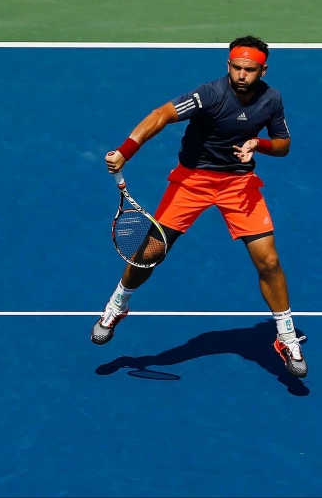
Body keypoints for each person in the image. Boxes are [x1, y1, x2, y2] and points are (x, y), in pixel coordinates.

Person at [92, 35, 307, 379]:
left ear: (263, 70)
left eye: (250, 70)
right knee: (149, 253)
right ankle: (117, 305)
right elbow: (162, 114)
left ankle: (285, 336)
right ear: (228, 65)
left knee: (269, 260)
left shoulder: (271, 99)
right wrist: (125, 151)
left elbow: (283, 145)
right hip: (192, 180)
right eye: (236, 67)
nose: (241, 75)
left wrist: (258, 143)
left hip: (238, 184)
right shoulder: (209, 94)